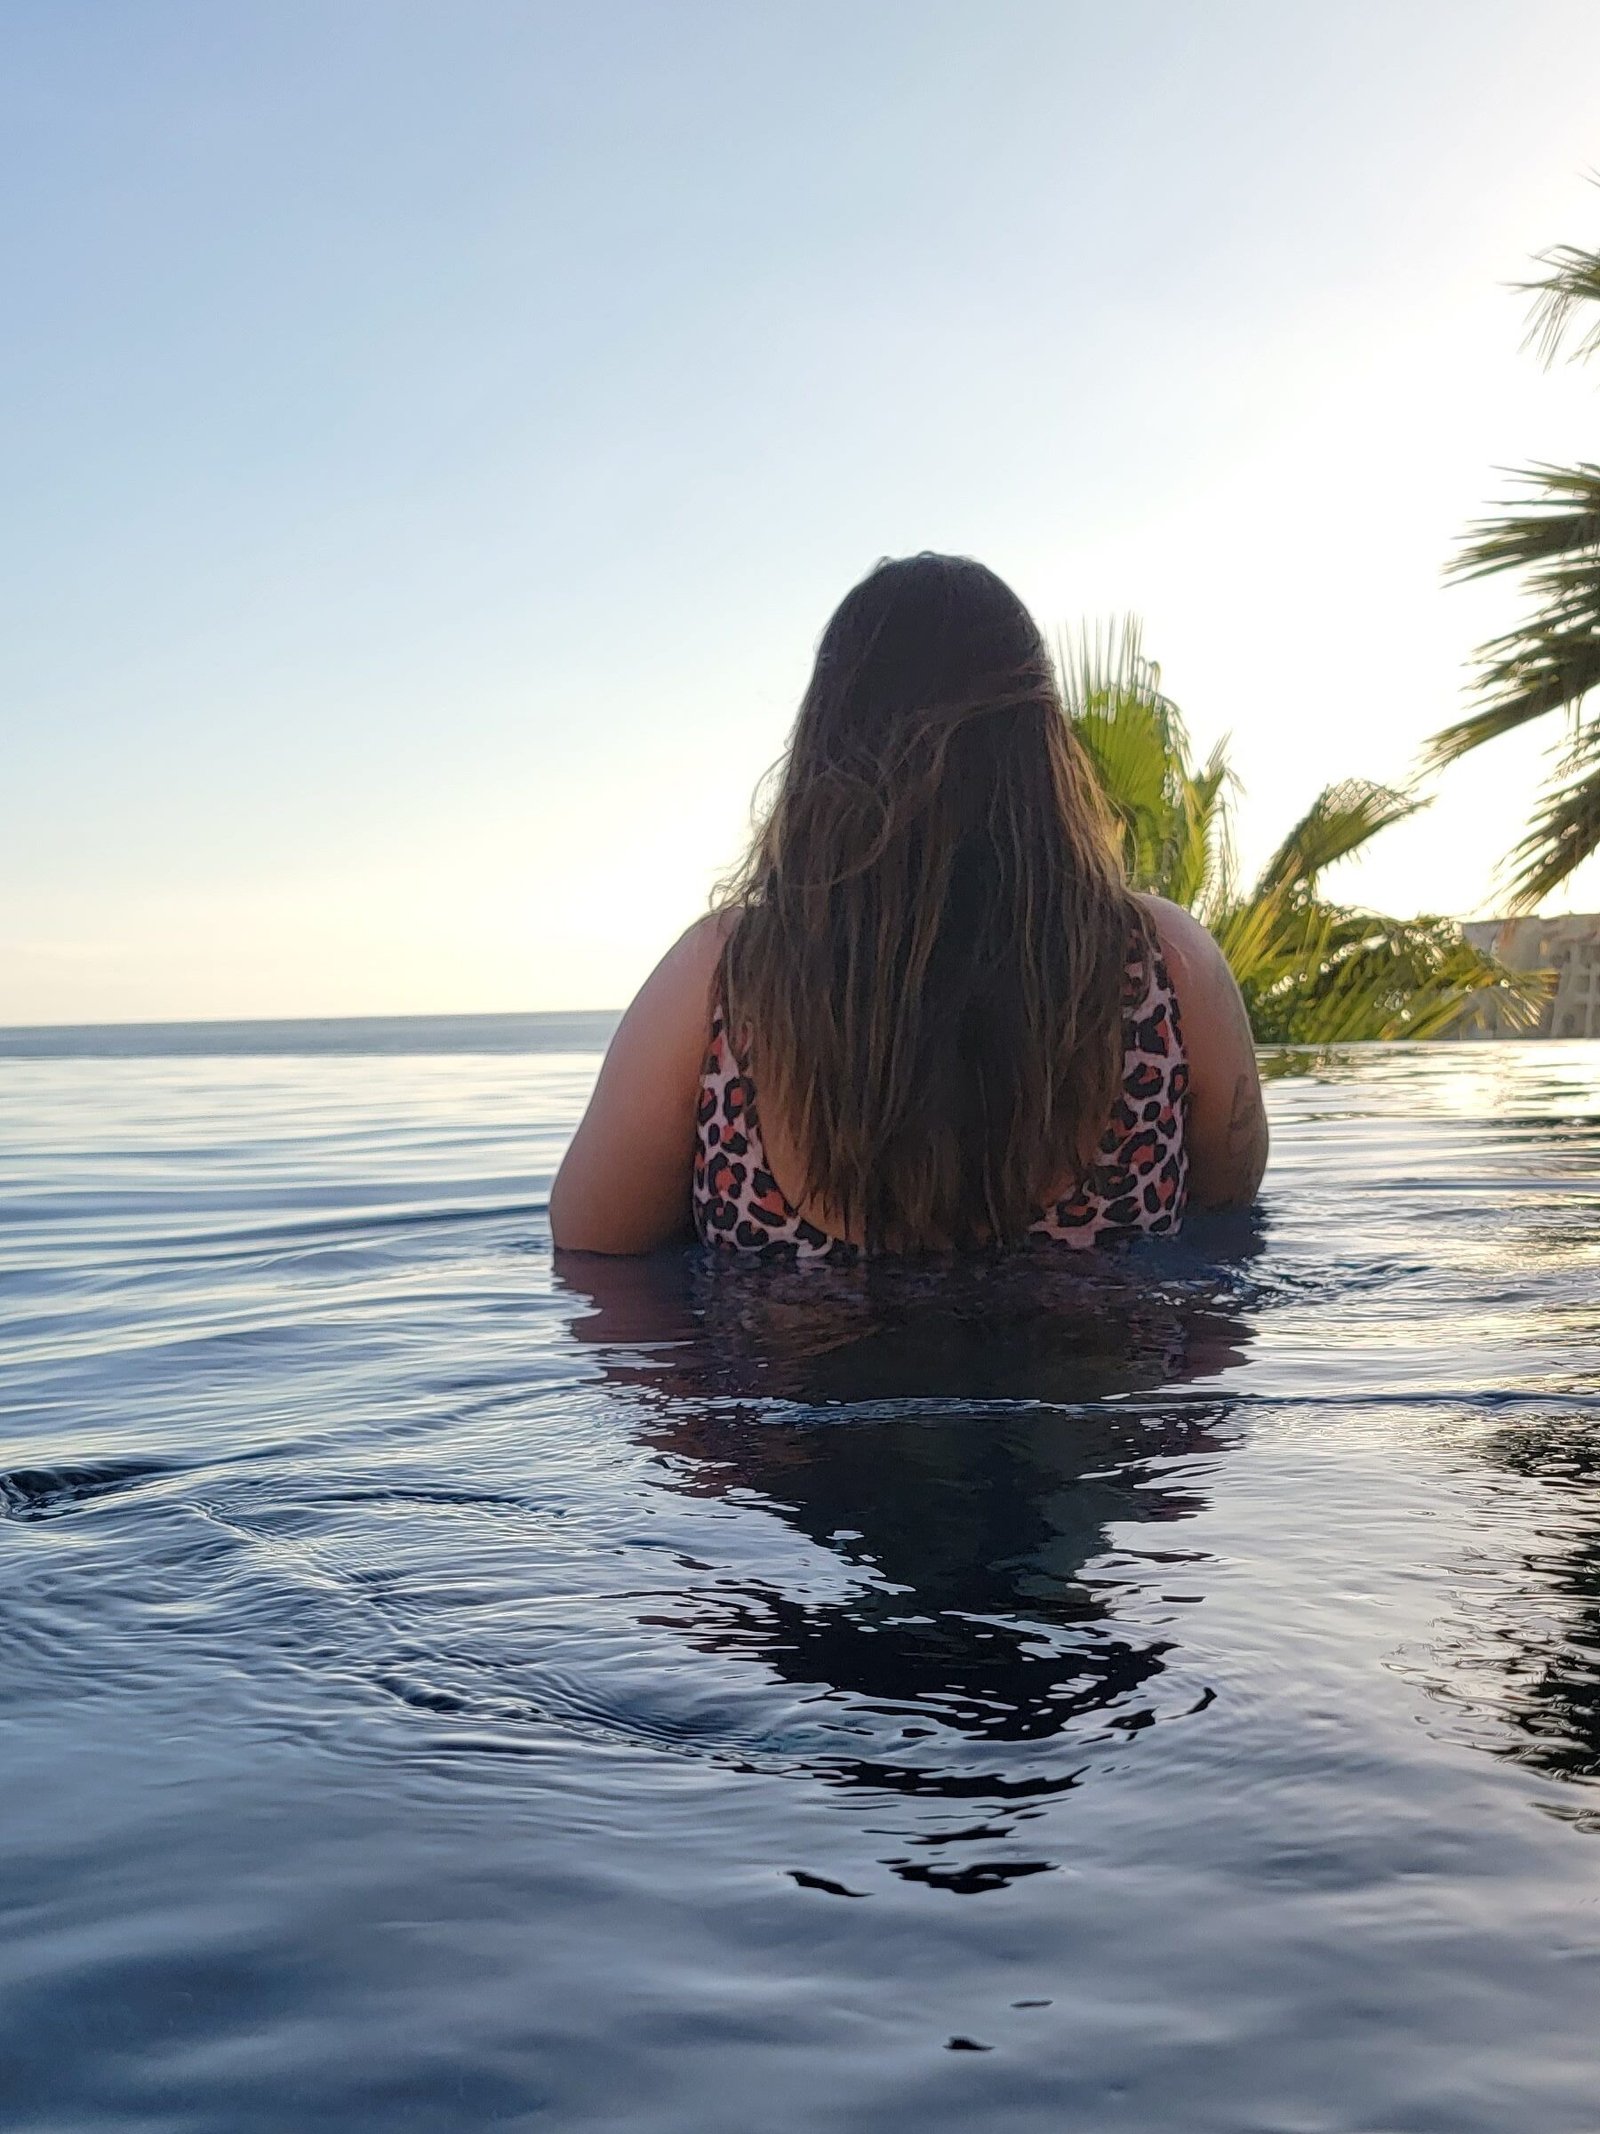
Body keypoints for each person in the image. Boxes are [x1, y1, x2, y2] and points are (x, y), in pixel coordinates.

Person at [551, 553, 1267, 1260]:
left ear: (825, 748)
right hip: (1083, 1370)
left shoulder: (720, 987)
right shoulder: (1168, 972)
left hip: (793, 1371)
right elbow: (1226, 1220)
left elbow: (592, 1253)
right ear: (1042, 747)